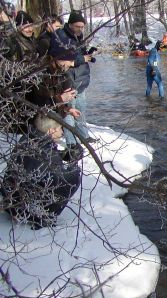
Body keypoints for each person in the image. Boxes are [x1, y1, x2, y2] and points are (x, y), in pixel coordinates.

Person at [1, 114, 82, 230]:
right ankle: (44, 217)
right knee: (73, 176)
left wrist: (66, 155)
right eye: (59, 129)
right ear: (51, 131)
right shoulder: (47, 153)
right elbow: (57, 176)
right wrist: (73, 165)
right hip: (24, 206)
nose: (62, 133)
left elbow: (44, 158)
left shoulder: (30, 138)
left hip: (11, 198)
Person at [52, 10, 96, 152]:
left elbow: (78, 55)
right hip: (69, 81)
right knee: (69, 112)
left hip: (81, 81)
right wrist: (80, 59)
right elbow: (60, 60)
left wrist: (88, 55)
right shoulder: (61, 37)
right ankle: (71, 143)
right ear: (69, 24)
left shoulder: (78, 36)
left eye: (82, 27)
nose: (80, 29)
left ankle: (84, 136)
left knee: (81, 111)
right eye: (77, 26)